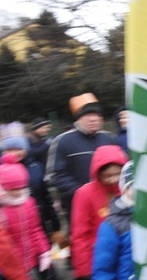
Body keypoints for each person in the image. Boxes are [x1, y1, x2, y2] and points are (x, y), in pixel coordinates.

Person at [0, 153, 71, 280]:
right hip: (13, 256)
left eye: (20, 188)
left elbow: (35, 228)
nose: (17, 193)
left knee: (49, 274)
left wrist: (44, 250)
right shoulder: (1, 209)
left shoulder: (29, 202)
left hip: (34, 247)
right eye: (12, 189)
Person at [45, 93, 117, 223]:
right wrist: (83, 192)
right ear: (78, 119)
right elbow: (54, 176)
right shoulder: (63, 141)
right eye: (88, 115)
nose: (93, 119)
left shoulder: (109, 138)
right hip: (77, 206)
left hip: (111, 203)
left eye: (97, 115)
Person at [70, 144, 128, 280]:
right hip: (101, 257)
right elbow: (79, 233)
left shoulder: (128, 190)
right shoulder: (84, 194)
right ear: (98, 173)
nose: (113, 179)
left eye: (117, 174)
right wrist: (84, 268)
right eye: (107, 175)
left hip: (126, 255)